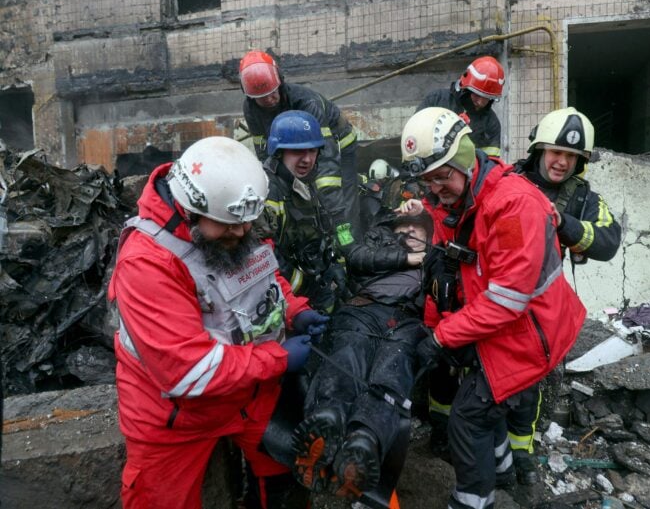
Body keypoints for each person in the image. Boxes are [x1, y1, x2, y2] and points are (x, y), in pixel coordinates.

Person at [109, 136, 330, 509]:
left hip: (250, 391)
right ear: (189, 210)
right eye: (229, 225)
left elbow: (261, 278)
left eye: (246, 223)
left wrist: (295, 311)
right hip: (176, 415)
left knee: (289, 477)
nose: (241, 232)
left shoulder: (232, 220)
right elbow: (187, 372)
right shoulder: (147, 263)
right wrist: (279, 358)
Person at [398, 107, 586, 508]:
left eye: (442, 176)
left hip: (532, 330)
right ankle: (501, 473)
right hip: (514, 322)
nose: (435, 188)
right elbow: (445, 273)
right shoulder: (458, 201)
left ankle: (472, 501)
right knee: (482, 403)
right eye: (428, 180)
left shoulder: (513, 206)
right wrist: (433, 325)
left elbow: (506, 300)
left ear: (465, 161)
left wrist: (440, 338)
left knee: (469, 417)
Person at [508, 107, 621, 485]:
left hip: (539, 306)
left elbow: (608, 240)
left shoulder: (581, 197)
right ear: (539, 150)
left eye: (572, 156)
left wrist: (566, 224)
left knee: (529, 380)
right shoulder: (508, 179)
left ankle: (520, 452)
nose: (562, 162)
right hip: (495, 295)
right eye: (556, 152)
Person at [290, 211, 432, 501]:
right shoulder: (378, 241)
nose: (409, 230)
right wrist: (408, 258)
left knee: (393, 368)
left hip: (408, 320)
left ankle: (365, 439)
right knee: (348, 353)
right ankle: (327, 419)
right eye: (403, 225)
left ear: (430, 235)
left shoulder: (437, 259)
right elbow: (358, 258)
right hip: (364, 308)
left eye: (417, 227)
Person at [238, 49, 361, 237]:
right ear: (251, 97)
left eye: (273, 93)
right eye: (262, 97)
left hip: (338, 144)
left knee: (341, 195)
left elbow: (326, 159)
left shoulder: (307, 102)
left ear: (280, 81)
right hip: (300, 151)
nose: (270, 100)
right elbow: (264, 152)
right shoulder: (250, 109)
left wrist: (336, 212)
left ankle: (350, 241)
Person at [261, 110, 355, 314]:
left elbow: (322, 231)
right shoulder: (268, 192)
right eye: (298, 151)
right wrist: (308, 287)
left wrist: (334, 266)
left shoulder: (305, 183)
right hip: (286, 299)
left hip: (312, 281)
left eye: (312, 151)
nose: (307, 159)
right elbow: (265, 258)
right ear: (279, 152)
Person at [417, 56, 505, 157]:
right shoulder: (436, 100)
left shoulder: (491, 123)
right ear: (465, 89)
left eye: (486, 98)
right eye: (477, 95)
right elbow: (415, 135)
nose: (480, 102)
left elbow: (489, 162)